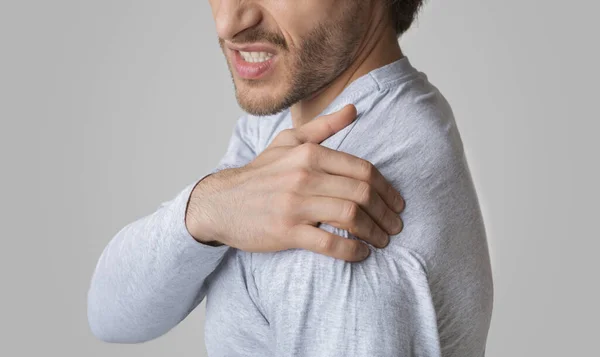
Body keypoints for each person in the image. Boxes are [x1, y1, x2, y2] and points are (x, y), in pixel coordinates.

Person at [87, 0, 494, 356]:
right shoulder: (301, 125)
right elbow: (111, 315)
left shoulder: (333, 222)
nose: (228, 22)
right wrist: (208, 208)